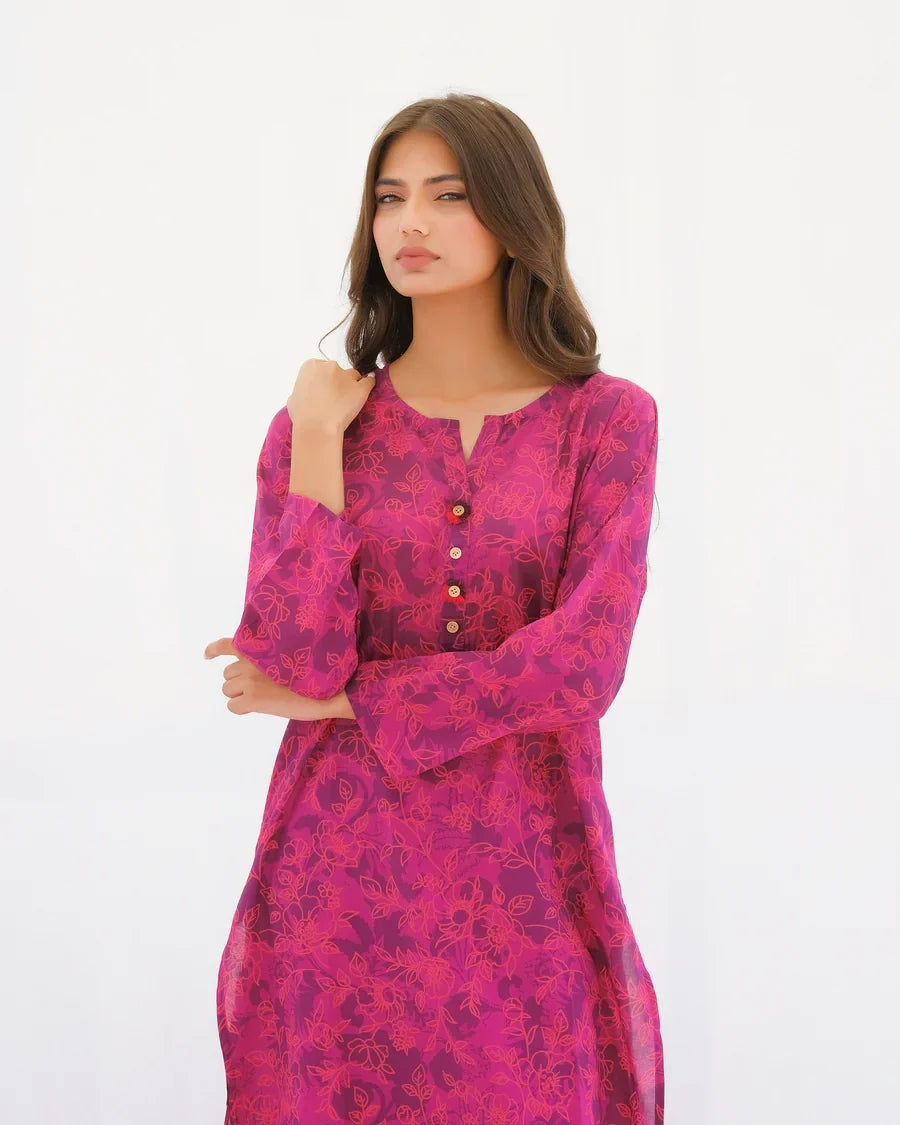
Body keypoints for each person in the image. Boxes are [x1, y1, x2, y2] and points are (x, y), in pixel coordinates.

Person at [204, 92, 664, 1124]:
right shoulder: (319, 427)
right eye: (390, 197)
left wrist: (346, 704)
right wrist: (317, 441)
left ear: (513, 216)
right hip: (339, 882)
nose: (410, 222)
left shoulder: (606, 423)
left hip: (527, 881)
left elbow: (582, 667)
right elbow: (295, 658)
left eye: (448, 196)